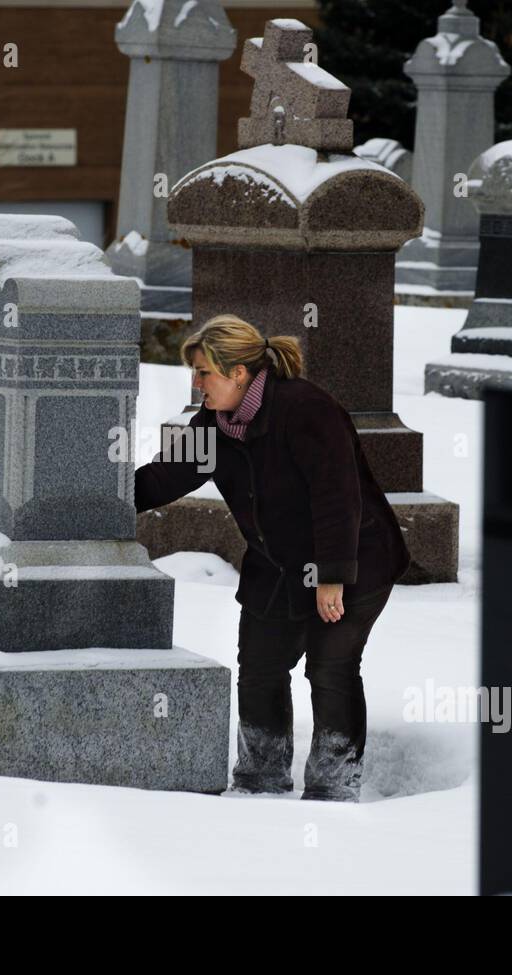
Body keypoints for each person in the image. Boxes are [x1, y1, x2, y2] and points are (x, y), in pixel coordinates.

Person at [134, 314, 411, 801]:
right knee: (260, 666)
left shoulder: (307, 410)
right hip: (277, 566)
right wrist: (99, 497)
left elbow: (336, 498)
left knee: (330, 667)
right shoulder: (214, 425)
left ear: (238, 373)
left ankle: (333, 783)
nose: (195, 384)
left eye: (203, 373)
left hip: (353, 558)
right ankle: (260, 779)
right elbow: (164, 478)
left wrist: (331, 578)